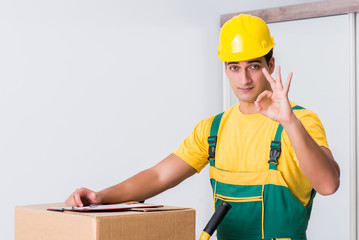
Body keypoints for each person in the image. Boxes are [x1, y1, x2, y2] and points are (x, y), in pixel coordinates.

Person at [65, 14, 340, 239]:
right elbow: (159, 176)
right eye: (234, 67)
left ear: (271, 64)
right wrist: (100, 197)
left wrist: (288, 122)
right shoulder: (213, 130)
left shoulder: (300, 121)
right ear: (225, 69)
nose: (244, 78)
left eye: (254, 66)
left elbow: (328, 184)